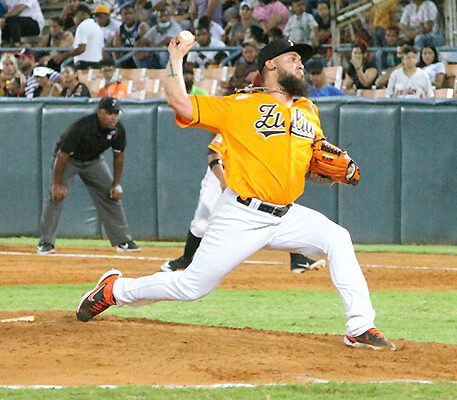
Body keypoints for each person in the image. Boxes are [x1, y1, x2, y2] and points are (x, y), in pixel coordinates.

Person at [76, 39, 396, 352]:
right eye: (293, 58)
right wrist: (175, 57)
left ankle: (360, 327)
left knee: (338, 238)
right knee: (191, 286)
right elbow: (181, 103)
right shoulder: (240, 106)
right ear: (271, 65)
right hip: (242, 215)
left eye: (301, 60)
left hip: (287, 215)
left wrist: (334, 173)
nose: (301, 64)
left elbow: (309, 167)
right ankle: (115, 289)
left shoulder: (308, 110)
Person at [160, 134, 326, 273]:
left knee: (276, 210)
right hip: (219, 175)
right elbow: (213, 153)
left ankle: (298, 259)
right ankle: (186, 260)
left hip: (247, 178)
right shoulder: (237, 124)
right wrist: (222, 181)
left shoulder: (268, 133)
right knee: (202, 224)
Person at [37, 97, 140, 255]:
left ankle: (123, 241)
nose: (113, 117)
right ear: (100, 112)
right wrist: (56, 185)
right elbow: (62, 156)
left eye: (116, 113)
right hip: (69, 160)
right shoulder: (82, 127)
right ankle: (46, 242)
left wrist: (116, 184)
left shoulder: (118, 130)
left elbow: (119, 157)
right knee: (56, 196)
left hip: (93, 161)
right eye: (109, 113)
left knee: (111, 195)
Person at [52, 3, 104, 70]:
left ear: (81, 13)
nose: (73, 19)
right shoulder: (97, 27)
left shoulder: (82, 26)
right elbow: (102, 49)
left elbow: (81, 49)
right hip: (97, 64)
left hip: (84, 65)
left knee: (65, 68)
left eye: (74, 15)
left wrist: (63, 56)